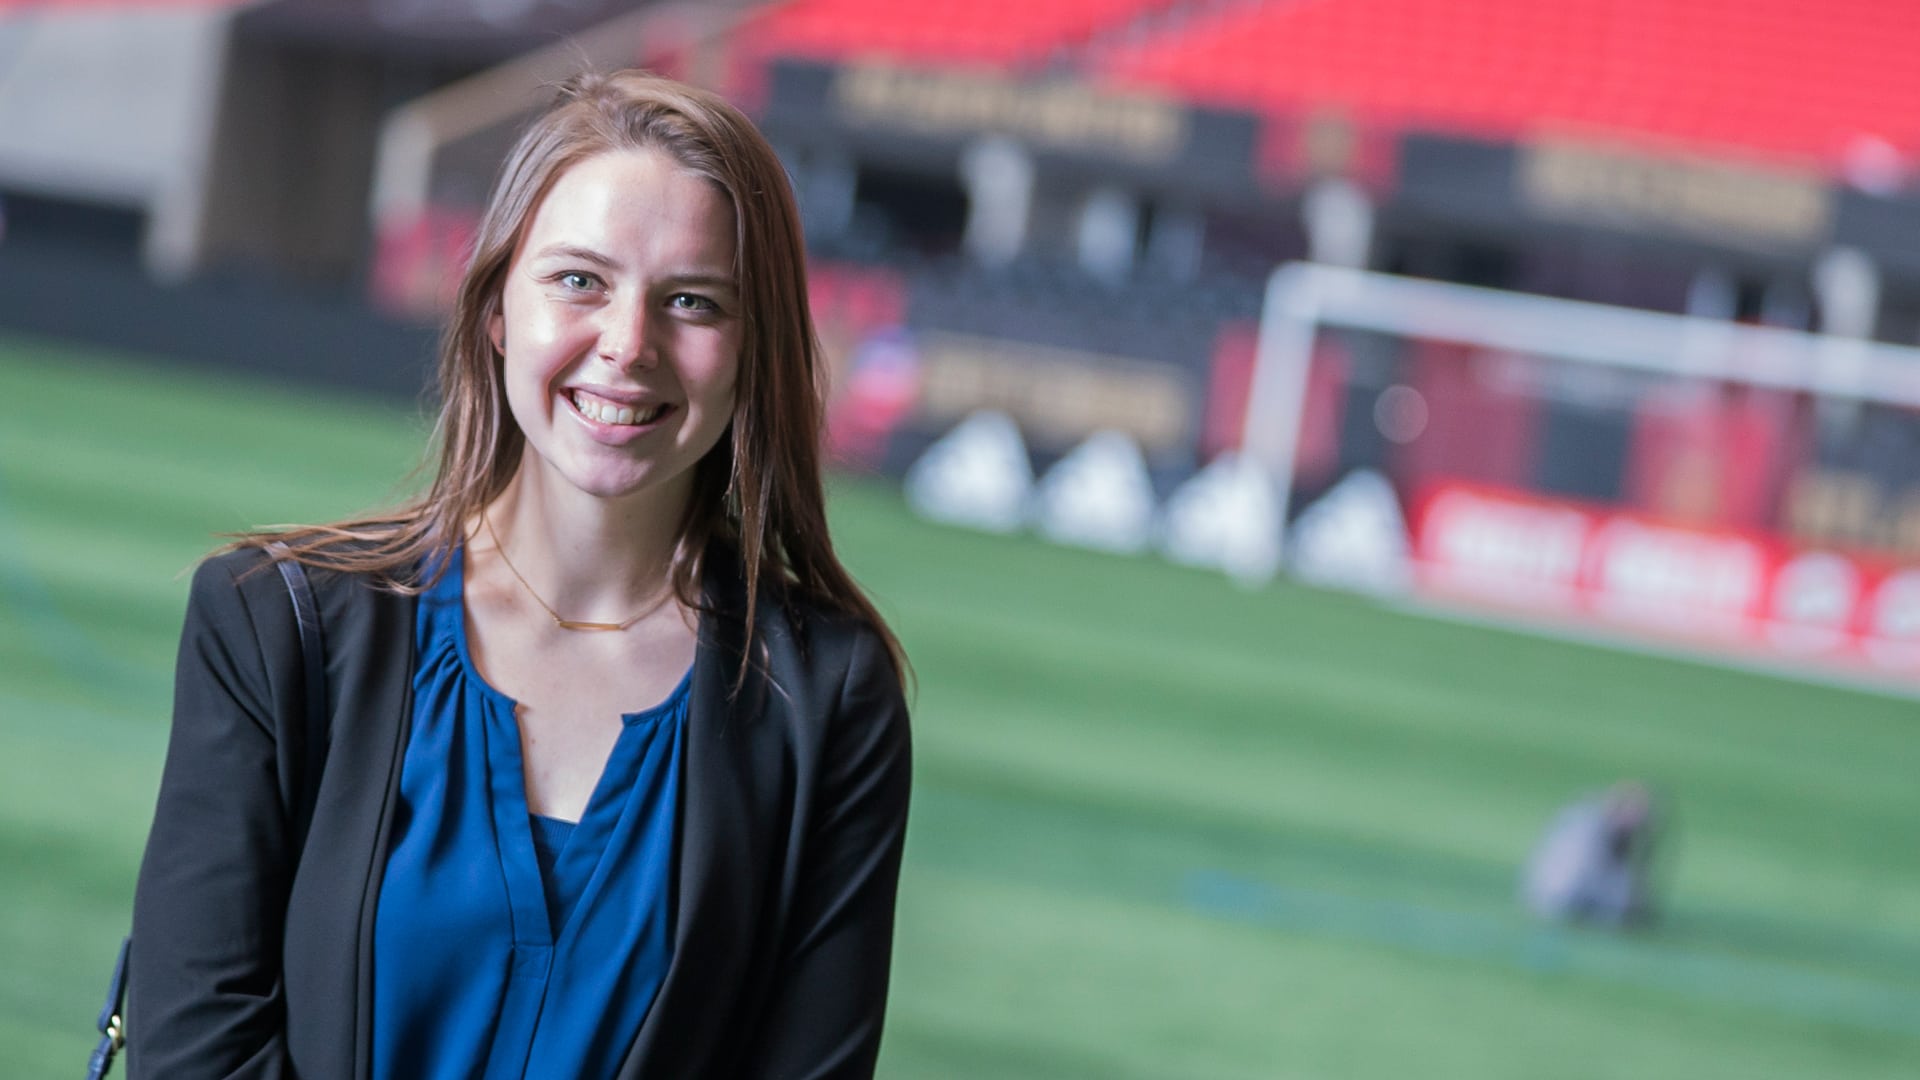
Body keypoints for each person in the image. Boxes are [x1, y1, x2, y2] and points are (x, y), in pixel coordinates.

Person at [128, 70, 912, 1079]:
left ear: (752, 349)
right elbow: (196, 1055)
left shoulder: (827, 698)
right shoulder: (277, 626)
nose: (628, 346)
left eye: (691, 301)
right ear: (498, 307)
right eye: (579, 281)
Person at [1520, 781, 1662, 929]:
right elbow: (1576, 874)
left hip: (1580, 891)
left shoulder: (1622, 836)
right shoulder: (1590, 828)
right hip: (1562, 893)